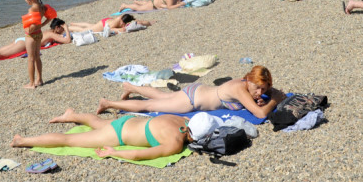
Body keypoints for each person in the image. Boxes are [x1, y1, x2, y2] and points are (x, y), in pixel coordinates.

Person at [11, 108, 203, 163]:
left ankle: (72, 115)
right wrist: (114, 152)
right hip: (118, 135)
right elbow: (138, 155)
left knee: (96, 122)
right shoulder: (175, 143)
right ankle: (22, 141)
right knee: (69, 140)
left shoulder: (183, 120)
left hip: (128, 121)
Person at [96, 64, 284, 119]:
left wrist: (266, 94)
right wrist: (274, 100)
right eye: (257, 87)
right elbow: (259, 114)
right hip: (191, 101)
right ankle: (108, 103)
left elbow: (266, 92)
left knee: (163, 95)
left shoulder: (245, 82)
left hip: (198, 90)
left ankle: (130, 87)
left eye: (263, 89)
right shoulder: (240, 89)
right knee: (150, 105)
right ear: (249, 80)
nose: (259, 92)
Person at [0, 17, 70, 68]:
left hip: (22, 40)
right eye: (62, 28)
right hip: (24, 44)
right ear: (58, 27)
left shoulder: (47, 31)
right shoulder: (52, 34)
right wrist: (67, 28)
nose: (63, 31)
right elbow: (67, 40)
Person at [21, 0, 52, 89]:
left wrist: (27, 30)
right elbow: (50, 17)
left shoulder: (32, 9)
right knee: (37, 57)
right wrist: (42, 25)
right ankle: (39, 79)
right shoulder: (42, 6)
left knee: (30, 59)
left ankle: (31, 83)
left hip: (31, 36)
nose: (25, 1)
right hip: (39, 34)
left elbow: (32, 26)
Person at [70, 13, 153, 33]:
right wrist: (121, 29)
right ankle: (70, 27)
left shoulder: (121, 17)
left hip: (106, 21)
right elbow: (111, 29)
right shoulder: (118, 23)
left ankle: (74, 23)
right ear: (123, 23)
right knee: (84, 30)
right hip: (104, 24)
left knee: (90, 25)